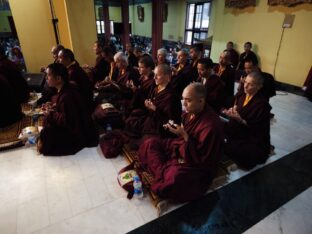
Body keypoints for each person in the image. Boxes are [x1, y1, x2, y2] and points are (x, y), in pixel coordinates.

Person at [138, 83, 224, 202]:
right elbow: (183, 133)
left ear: (201, 101)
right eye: (183, 99)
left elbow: (204, 159)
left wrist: (183, 134)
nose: (184, 104)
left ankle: (162, 170)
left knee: (175, 176)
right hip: (180, 145)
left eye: (188, 100)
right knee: (150, 143)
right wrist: (176, 130)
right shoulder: (190, 112)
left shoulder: (211, 125)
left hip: (196, 161)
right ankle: (163, 171)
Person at [38, 63, 98, 156]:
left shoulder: (67, 96)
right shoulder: (65, 88)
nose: (46, 78)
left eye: (48, 75)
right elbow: (63, 108)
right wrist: (53, 107)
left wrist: (49, 113)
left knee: (46, 133)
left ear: (58, 79)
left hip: (76, 134)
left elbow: (67, 121)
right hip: (77, 127)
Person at [223, 72, 271, 169]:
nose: (246, 86)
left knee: (241, 151)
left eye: (251, 84)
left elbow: (258, 129)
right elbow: (233, 106)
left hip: (251, 137)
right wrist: (230, 112)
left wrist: (240, 120)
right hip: (236, 129)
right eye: (245, 82)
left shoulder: (262, 105)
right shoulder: (242, 96)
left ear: (259, 87)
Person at [125, 64, 181, 138]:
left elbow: (171, 120)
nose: (154, 77)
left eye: (158, 75)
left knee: (135, 125)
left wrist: (155, 109)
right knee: (131, 118)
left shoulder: (171, 96)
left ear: (167, 76)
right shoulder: (156, 89)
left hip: (160, 125)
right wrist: (148, 104)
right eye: (154, 74)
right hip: (151, 117)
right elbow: (150, 101)